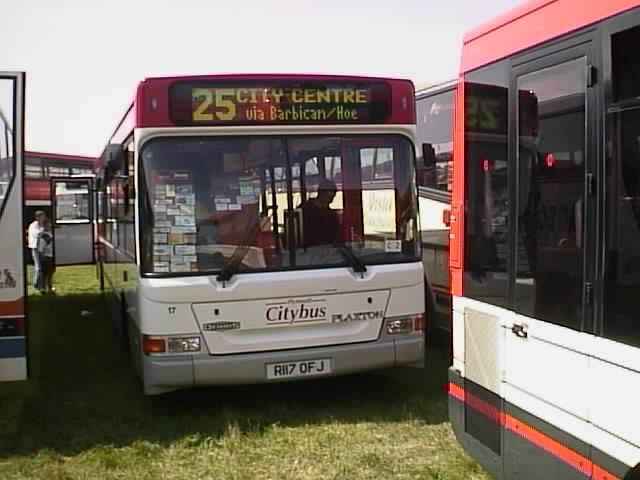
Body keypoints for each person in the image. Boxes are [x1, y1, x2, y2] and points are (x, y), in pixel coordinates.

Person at [299, 178, 340, 248]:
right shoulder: (305, 210)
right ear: (322, 193)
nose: (332, 196)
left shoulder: (331, 214)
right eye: (330, 194)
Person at [27, 210, 46, 293]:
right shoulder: (33, 225)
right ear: (37, 217)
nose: (44, 218)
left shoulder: (42, 225)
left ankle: (38, 285)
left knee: (41, 267)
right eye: (42, 216)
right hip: (35, 248)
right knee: (38, 268)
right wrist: (44, 230)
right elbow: (37, 234)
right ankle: (38, 286)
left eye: (44, 216)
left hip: (42, 248)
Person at [38, 219, 55, 294]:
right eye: (48, 224)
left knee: (50, 273)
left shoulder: (51, 234)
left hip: (51, 256)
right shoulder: (44, 235)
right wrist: (42, 257)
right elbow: (41, 249)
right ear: (45, 226)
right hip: (45, 257)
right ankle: (43, 288)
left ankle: (50, 287)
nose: (49, 226)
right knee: (44, 273)